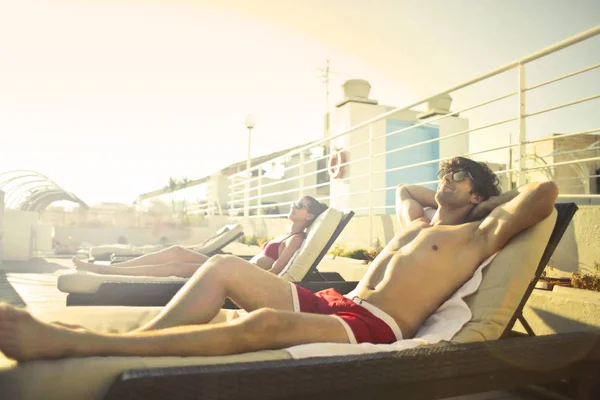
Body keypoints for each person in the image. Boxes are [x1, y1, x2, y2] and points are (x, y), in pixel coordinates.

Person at [0, 157, 558, 362]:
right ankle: (141, 346)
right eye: (443, 174)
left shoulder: (477, 236)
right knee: (219, 268)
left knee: (262, 324)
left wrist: (488, 198)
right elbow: (407, 196)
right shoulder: (418, 224)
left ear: (480, 195)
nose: (443, 181)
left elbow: (546, 191)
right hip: (339, 301)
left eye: (456, 177)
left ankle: (85, 345)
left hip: (375, 326)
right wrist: (446, 188)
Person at [72, 196, 328, 277]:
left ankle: (109, 272)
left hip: (239, 274)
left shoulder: (295, 240)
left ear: (308, 217)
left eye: (300, 205)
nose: (294, 206)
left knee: (175, 264)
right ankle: (113, 268)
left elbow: (275, 274)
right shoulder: (286, 234)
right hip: (236, 267)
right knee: (175, 253)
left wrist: (246, 273)